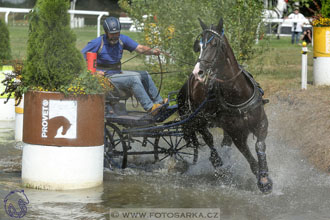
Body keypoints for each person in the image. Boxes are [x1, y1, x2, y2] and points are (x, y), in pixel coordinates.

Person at [81, 17, 166, 115]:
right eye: (112, 34)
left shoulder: (122, 39)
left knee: (144, 74)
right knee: (133, 78)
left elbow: (140, 48)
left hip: (117, 73)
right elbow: (80, 57)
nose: (115, 36)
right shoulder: (97, 43)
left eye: (117, 33)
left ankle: (159, 103)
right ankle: (150, 108)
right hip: (105, 77)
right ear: (106, 32)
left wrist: (152, 51)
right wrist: (94, 73)